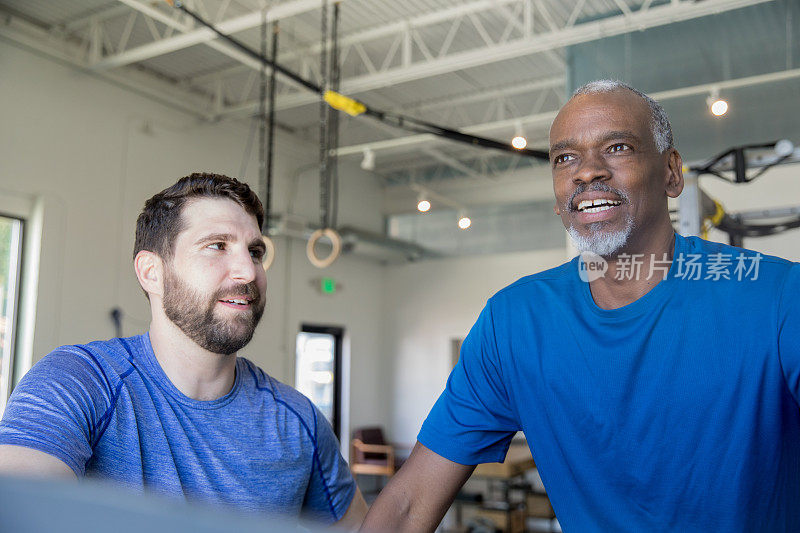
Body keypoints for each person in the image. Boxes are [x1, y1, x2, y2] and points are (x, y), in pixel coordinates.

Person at [362, 81, 800, 532]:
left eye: (617, 147)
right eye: (565, 158)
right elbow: (410, 504)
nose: (587, 172)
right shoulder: (513, 323)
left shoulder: (779, 296)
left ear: (671, 173)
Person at [0, 173, 367, 528]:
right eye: (217, 246)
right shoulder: (79, 381)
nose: (249, 272)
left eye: (254, 251)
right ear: (151, 272)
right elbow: (17, 509)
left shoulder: (298, 420)